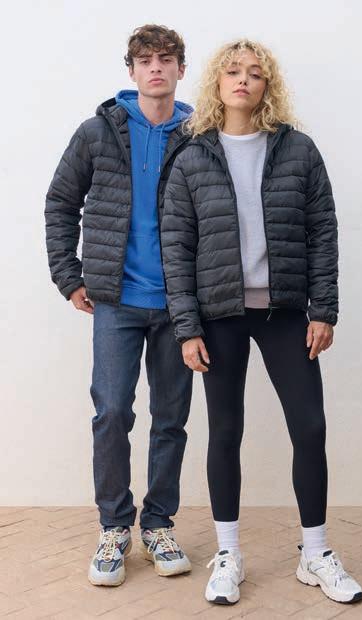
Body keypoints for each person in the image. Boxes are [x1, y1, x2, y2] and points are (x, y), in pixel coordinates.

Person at [161, 39, 362, 605]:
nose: (243, 80)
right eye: (233, 71)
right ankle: (229, 553)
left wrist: (323, 309)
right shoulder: (193, 156)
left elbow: (323, 231)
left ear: (267, 85)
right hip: (218, 314)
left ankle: (315, 552)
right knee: (225, 431)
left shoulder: (298, 150)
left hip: (286, 312)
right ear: (217, 83)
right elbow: (176, 246)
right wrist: (187, 326)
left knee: (310, 427)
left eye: (254, 73)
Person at [45, 24, 193, 587]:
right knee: (112, 412)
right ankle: (114, 527)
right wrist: (69, 277)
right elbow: (61, 203)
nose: (156, 67)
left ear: (181, 69)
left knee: (171, 419)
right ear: (131, 71)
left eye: (166, 58)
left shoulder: (200, 135)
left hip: (179, 304)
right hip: (115, 300)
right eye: (145, 59)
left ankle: (158, 524)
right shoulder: (97, 132)